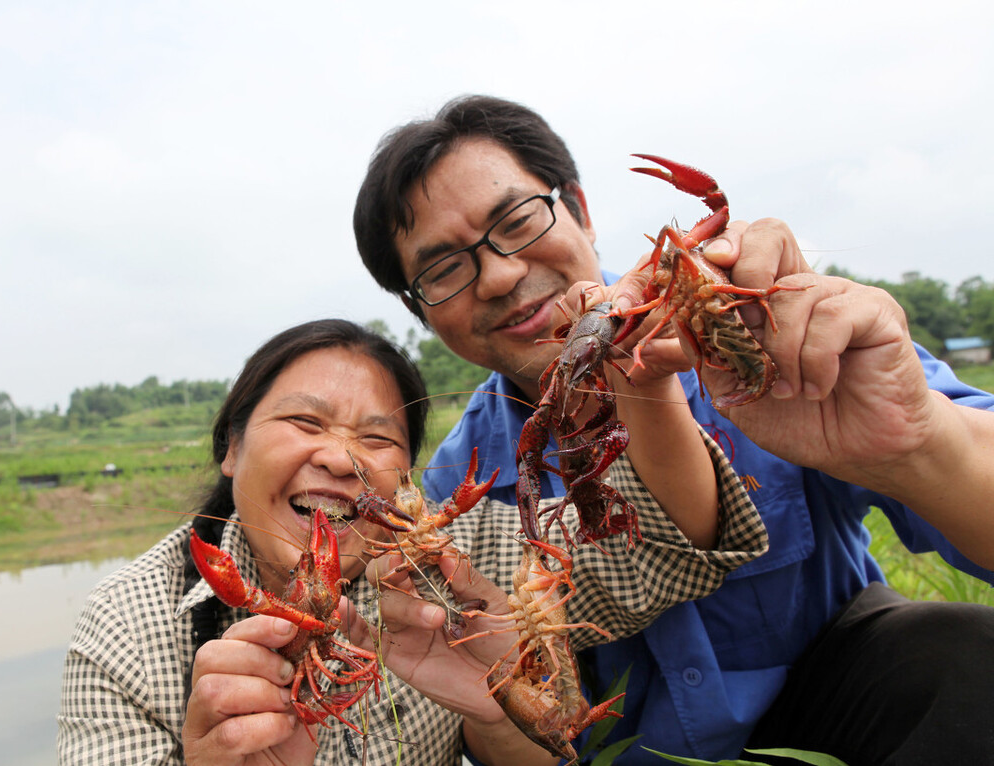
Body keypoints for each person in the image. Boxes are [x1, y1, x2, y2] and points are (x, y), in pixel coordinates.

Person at [353, 95, 994, 764]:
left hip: (844, 696)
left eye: (516, 220)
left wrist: (920, 444)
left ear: (580, 210)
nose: (502, 274)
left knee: (959, 651)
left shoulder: (764, 333)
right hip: (626, 751)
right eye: (444, 268)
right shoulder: (461, 484)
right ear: (417, 310)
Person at [56, 318, 769, 766]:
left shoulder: (459, 558)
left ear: (406, 474)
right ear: (232, 450)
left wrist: (498, 715)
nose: (340, 458)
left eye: (376, 437)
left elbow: (672, 548)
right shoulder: (130, 623)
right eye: (305, 423)